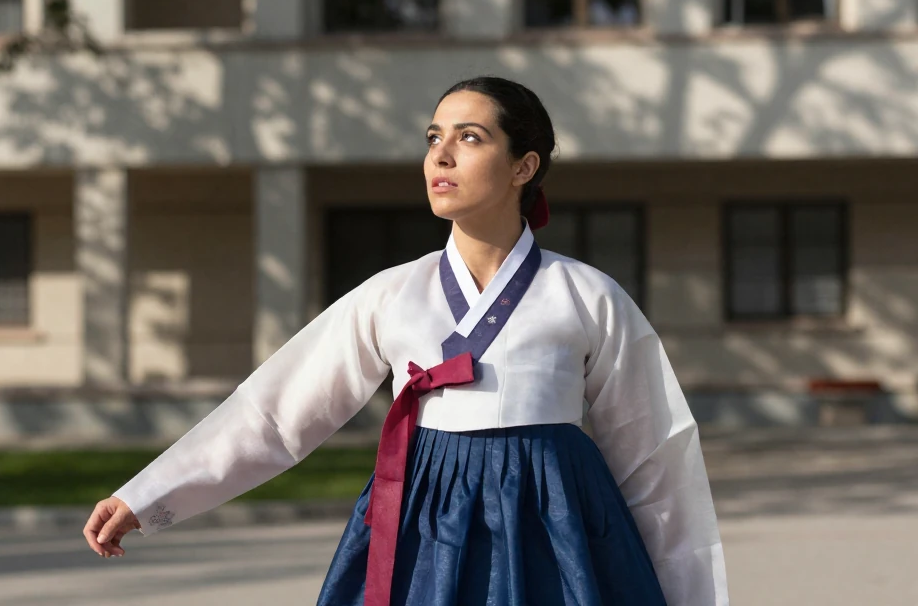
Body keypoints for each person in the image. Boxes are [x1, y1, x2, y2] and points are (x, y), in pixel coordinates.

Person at [83, 76, 729, 605]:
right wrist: (147, 495)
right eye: (433, 138)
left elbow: (658, 462)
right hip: (426, 530)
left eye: (469, 138)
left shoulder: (586, 296)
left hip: (555, 529)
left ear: (523, 166)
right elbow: (276, 412)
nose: (440, 157)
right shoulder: (391, 295)